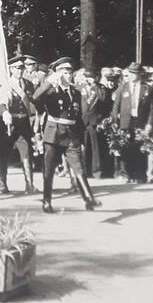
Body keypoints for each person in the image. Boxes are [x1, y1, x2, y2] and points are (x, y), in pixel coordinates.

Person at [32, 58, 100, 213]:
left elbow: (79, 117)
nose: (68, 75)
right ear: (58, 74)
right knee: (49, 170)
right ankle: (47, 201)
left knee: (79, 168)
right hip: (54, 133)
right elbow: (35, 97)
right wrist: (49, 81)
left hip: (71, 134)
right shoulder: (51, 91)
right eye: (65, 72)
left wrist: (81, 137)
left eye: (70, 72)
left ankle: (89, 199)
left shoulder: (75, 92)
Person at [0, 55, 38, 195]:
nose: (20, 70)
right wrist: (4, 113)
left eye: (22, 67)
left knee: (26, 154)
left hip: (23, 122)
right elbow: (0, 103)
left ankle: (29, 184)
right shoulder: (5, 85)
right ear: (11, 69)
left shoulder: (28, 84)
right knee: (4, 154)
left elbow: (32, 103)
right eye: (17, 68)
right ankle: (3, 183)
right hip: (9, 123)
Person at [113, 63, 153, 183]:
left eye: (134, 73)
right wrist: (115, 121)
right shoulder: (123, 87)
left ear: (140, 74)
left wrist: (149, 124)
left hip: (140, 121)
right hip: (126, 122)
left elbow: (152, 109)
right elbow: (116, 105)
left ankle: (139, 175)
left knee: (140, 148)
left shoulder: (146, 88)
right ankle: (126, 174)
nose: (132, 75)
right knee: (125, 147)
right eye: (130, 73)